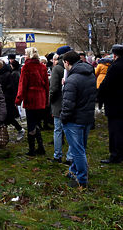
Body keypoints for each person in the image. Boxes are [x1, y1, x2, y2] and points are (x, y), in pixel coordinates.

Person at [60, 51, 97, 187]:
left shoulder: (72, 79)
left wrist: (63, 118)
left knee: (77, 150)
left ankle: (81, 180)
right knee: (80, 148)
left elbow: (68, 104)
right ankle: (73, 170)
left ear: (67, 63)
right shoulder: (90, 74)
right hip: (87, 118)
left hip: (74, 120)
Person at [15, 47, 49, 156]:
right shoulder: (43, 67)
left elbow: (22, 85)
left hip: (31, 98)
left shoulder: (26, 67)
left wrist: (18, 100)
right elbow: (47, 86)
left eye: (25, 54)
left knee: (31, 124)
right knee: (37, 123)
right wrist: (46, 99)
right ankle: (41, 147)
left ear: (29, 55)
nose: (24, 56)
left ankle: (32, 149)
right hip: (41, 98)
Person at [98, 44, 123, 164]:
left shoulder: (115, 67)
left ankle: (115, 155)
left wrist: (100, 96)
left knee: (115, 131)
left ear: (115, 55)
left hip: (115, 104)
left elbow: (106, 84)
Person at [50, 50, 72, 164]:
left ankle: (57, 155)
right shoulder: (72, 67)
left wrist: (50, 101)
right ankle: (70, 156)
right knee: (69, 131)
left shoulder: (56, 69)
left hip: (58, 103)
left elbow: (53, 89)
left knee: (58, 130)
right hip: (70, 104)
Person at [0, 59, 25, 141]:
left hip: (6, 100)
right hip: (0, 99)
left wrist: (4, 96)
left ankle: (19, 130)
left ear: (1, 66)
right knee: (3, 119)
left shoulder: (7, 74)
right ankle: (2, 134)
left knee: (8, 118)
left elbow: (10, 88)